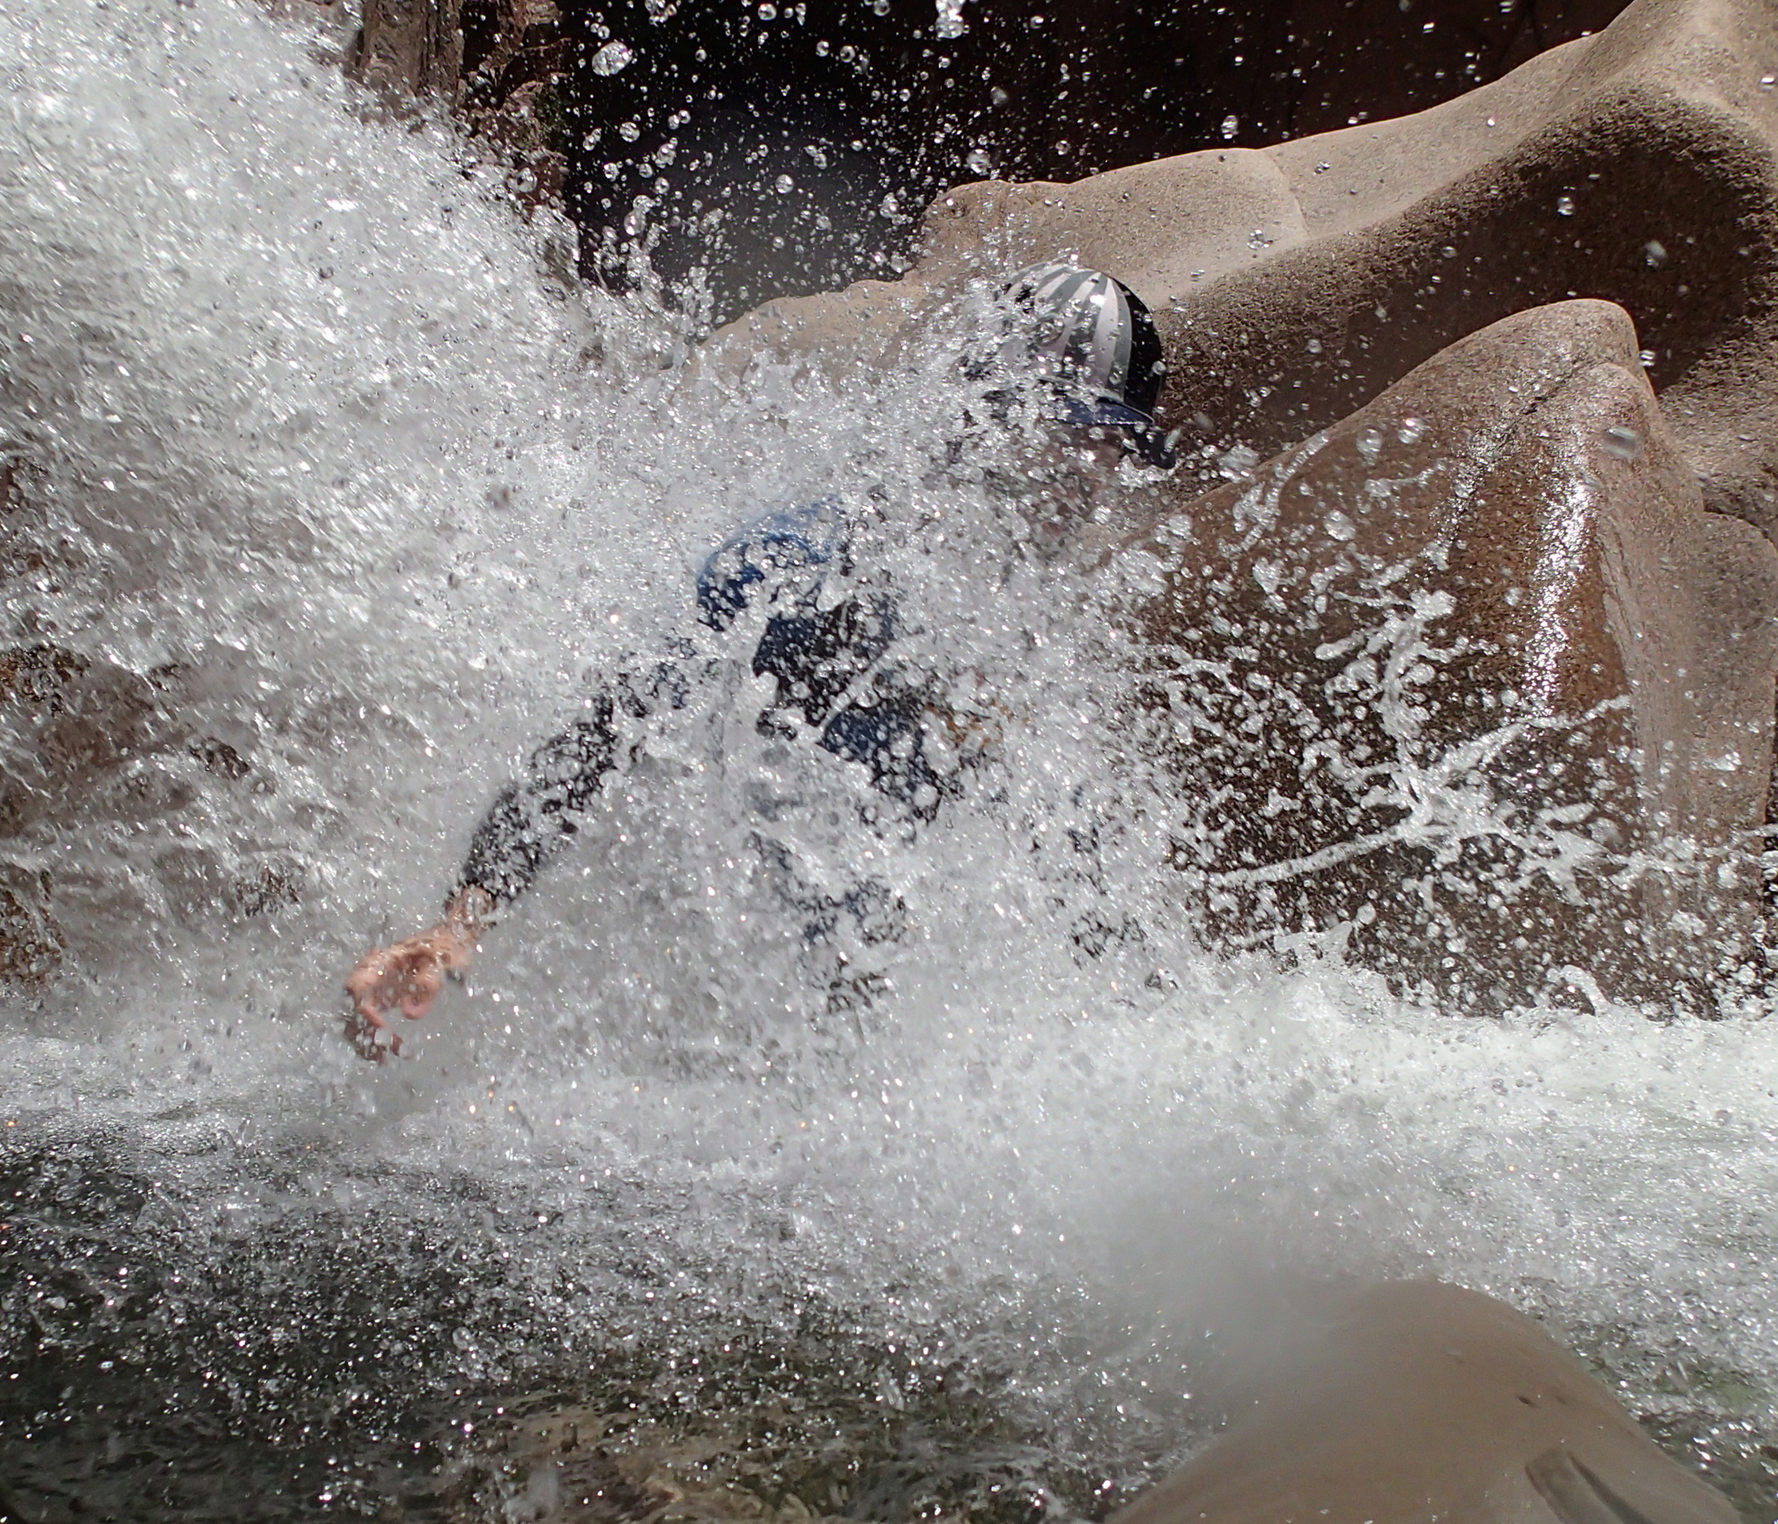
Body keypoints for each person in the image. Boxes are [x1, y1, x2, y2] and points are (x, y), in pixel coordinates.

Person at [347, 264, 1172, 1060]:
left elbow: (1048, 826)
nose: (1085, 478)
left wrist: (1142, 1013)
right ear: (975, 421)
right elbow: (615, 724)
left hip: (847, 1036)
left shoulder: (1010, 603)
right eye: (1066, 436)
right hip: (731, 1013)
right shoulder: (813, 572)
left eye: (1108, 447)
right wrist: (461, 921)